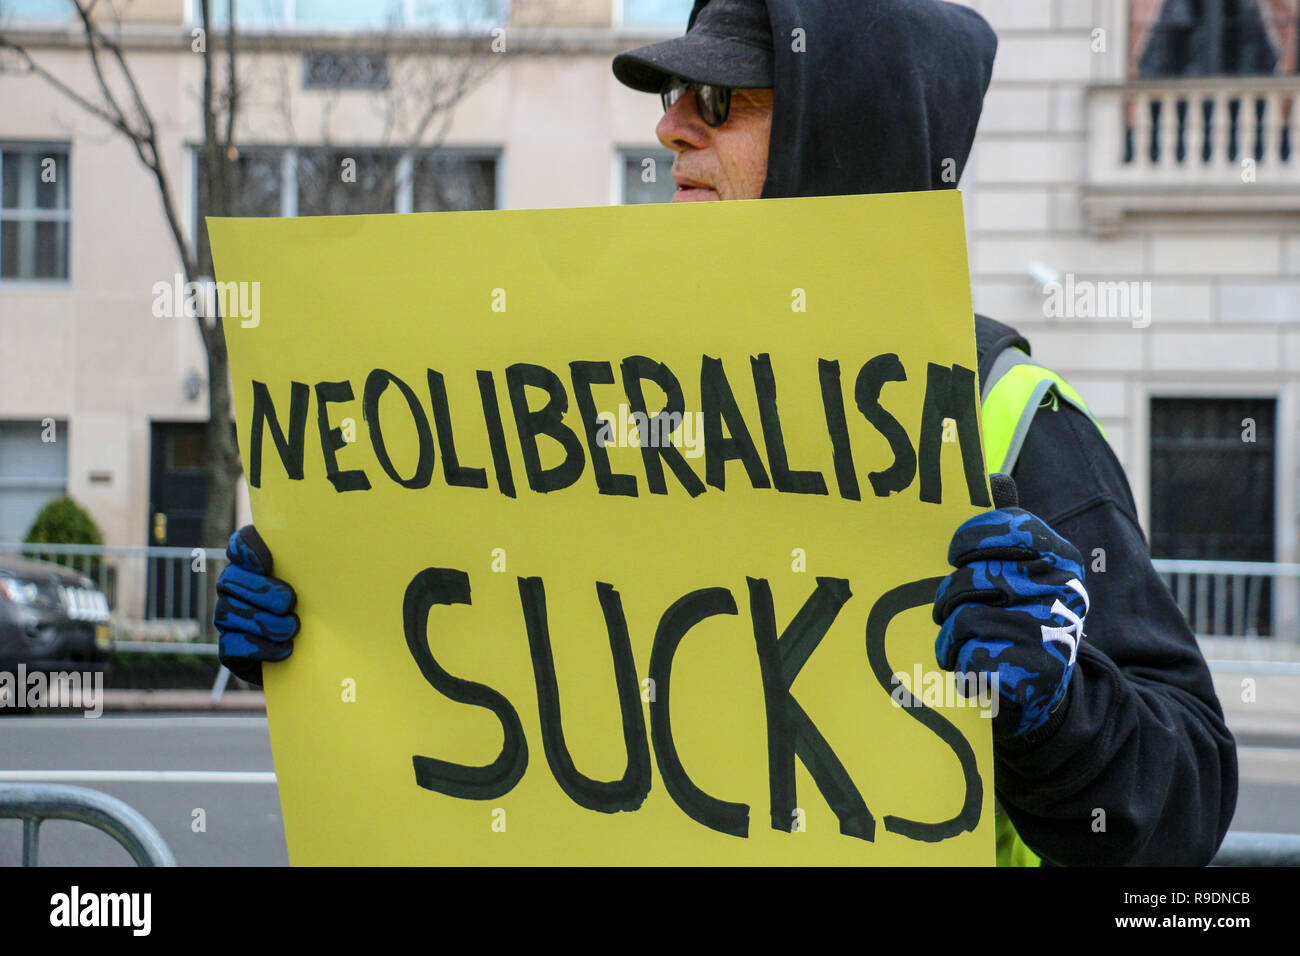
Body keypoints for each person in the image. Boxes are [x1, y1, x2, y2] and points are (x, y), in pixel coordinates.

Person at [216, 0, 1238, 866]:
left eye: (716, 102)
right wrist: (329, 606)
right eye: (670, 100)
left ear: (840, 134)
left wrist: (1056, 707)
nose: (669, 131)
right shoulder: (615, 398)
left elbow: (1187, 796)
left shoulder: (1007, 421)